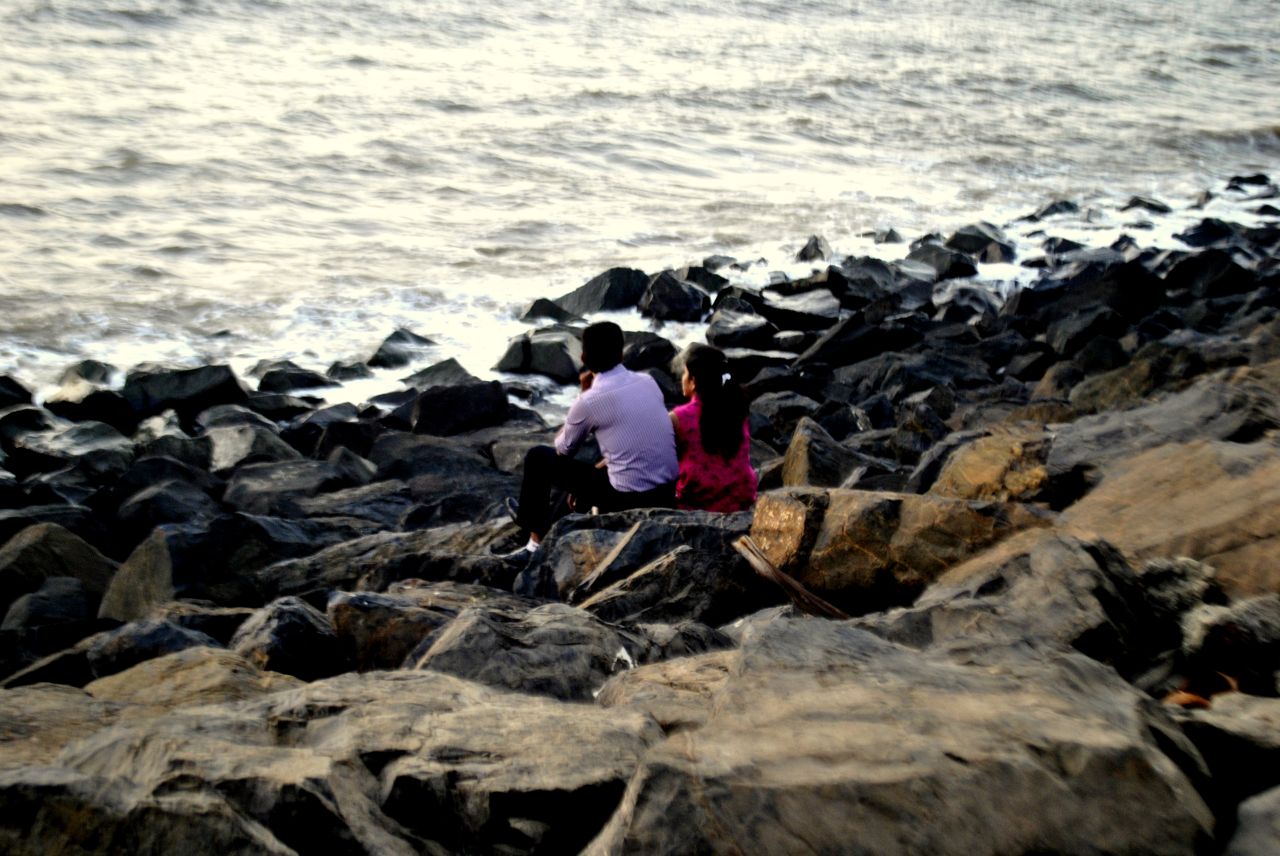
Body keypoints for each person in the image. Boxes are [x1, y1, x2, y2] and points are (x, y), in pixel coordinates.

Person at [509, 321, 678, 551]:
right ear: (621, 353)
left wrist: (583, 395)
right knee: (599, 464)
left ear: (584, 358)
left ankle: (534, 544)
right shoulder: (648, 382)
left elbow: (563, 449)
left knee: (539, 458)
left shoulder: (590, 400)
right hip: (667, 492)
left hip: (627, 499)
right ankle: (550, 519)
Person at [670, 344, 757, 513]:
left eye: (685, 373)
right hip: (741, 497)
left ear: (693, 381)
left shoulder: (678, 418)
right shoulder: (737, 409)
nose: (682, 378)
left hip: (699, 501)